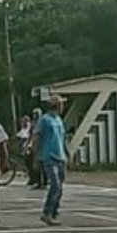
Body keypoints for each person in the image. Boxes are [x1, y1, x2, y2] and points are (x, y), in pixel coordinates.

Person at [34, 95, 68, 226]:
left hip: (60, 156)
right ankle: (47, 212)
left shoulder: (59, 120)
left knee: (59, 187)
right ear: (57, 105)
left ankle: (54, 212)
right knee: (54, 184)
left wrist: (67, 153)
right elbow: (37, 137)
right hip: (49, 156)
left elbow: (62, 138)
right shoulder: (45, 120)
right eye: (61, 104)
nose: (63, 107)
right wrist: (36, 157)